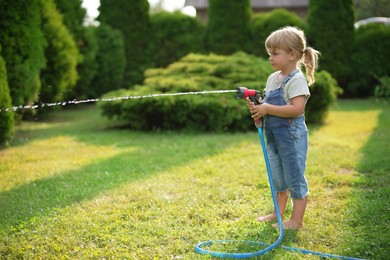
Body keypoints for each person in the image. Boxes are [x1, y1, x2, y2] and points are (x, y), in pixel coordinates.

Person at [247, 26, 320, 230]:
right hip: (273, 137)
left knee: (294, 177)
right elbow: (268, 104)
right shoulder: (272, 78)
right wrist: (259, 109)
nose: (270, 58)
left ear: (292, 55)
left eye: (275, 53)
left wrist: (267, 108)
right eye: (269, 53)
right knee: (277, 177)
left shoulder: (296, 80)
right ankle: (277, 214)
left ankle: (296, 221)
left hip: (291, 138)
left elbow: (297, 109)